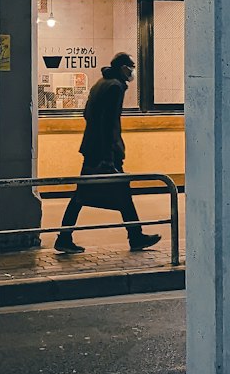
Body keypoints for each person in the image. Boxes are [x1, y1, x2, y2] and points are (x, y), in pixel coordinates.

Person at [54, 51, 162, 254]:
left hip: (92, 148)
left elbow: (88, 114)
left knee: (91, 194)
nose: (132, 71)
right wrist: (109, 157)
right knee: (89, 195)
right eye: (131, 67)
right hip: (104, 152)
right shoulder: (115, 87)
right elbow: (110, 124)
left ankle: (66, 237)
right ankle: (134, 236)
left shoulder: (99, 84)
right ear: (123, 68)